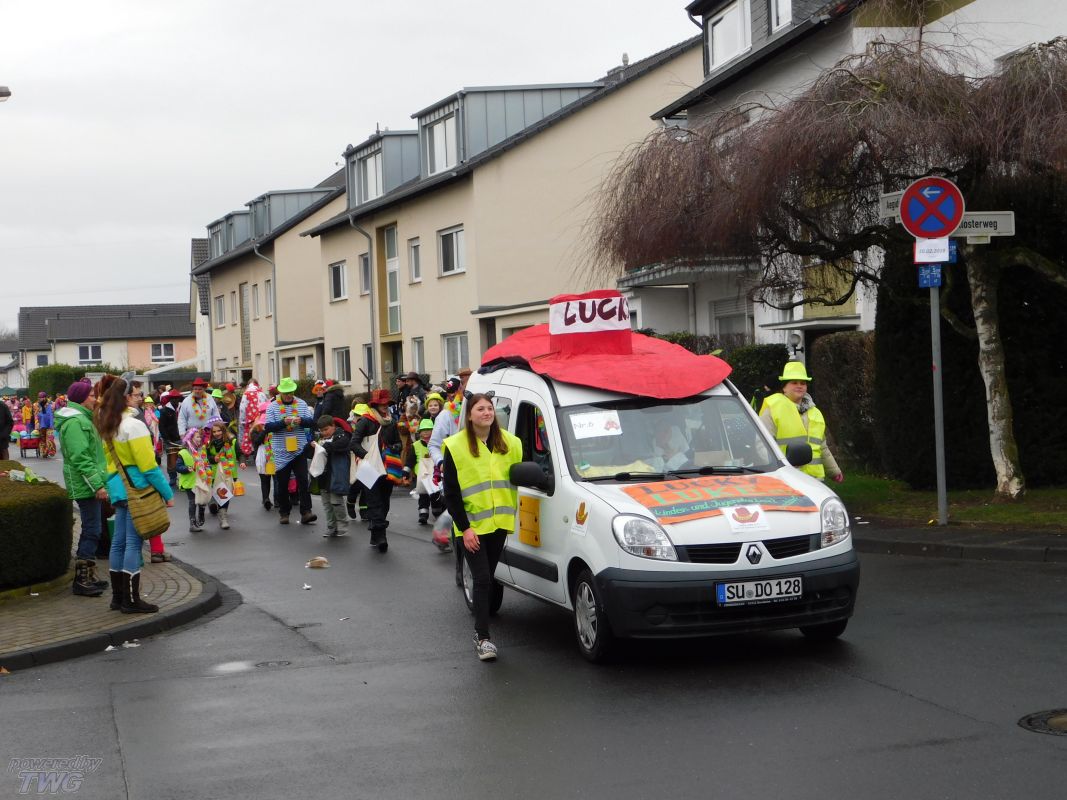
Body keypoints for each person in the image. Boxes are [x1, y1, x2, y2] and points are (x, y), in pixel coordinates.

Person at [441, 392, 524, 661]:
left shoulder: (511, 443)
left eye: (489, 408)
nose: (487, 412)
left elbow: (519, 475)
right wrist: (465, 528)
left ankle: (483, 629)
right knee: (483, 578)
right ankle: (483, 638)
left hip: (499, 524)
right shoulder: (455, 446)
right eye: (480, 409)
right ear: (469, 415)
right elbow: (451, 493)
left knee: (487, 577)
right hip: (472, 527)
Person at [95, 374, 174, 614]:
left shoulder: (110, 423)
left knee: (118, 542)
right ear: (127, 397)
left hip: (118, 487)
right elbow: (148, 467)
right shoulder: (134, 425)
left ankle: (118, 598)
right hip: (136, 488)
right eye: (137, 394)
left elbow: (109, 462)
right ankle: (131, 600)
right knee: (132, 543)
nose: (140, 398)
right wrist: (167, 493)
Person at [55, 378, 110, 597]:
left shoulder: (83, 418)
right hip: (85, 484)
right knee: (92, 530)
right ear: (81, 398)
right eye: (92, 396)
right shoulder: (75, 422)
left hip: (89, 483)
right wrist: (98, 485)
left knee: (93, 529)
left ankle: (89, 574)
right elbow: (81, 457)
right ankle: (82, 580)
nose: (95, 399)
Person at [759, 361, 844, 483]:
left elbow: (822, 447)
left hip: (816, 481)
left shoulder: (815, 413)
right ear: (784, 387)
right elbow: (762, 446)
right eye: (794, 382)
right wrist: (777, 471)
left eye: (803, 383)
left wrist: (834, 471)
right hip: (787, 480)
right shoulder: (773, 408)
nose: (799, 386)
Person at [429, 372, 472, 585]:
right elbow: (434, 445)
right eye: (452, 393)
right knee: (459, 521)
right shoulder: (446, 416)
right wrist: (441, 463)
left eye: (459, 391)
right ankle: (460, 567)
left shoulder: (478, 410)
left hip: (477, 475)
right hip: (454, 476)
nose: (456, 396)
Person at [351, 388, 401, 552]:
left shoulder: (391, 422)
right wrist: (366, 457)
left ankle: (375, 533)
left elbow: (398, 443)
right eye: (382, 403)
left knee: (384, 502)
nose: (385, 406)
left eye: (387, 403)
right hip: (368, 467)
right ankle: (381, 537)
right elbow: (354, 443)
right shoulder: (365, 421)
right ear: (375, 405)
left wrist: (395, 447)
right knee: (374, 502)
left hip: (387, 468)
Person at [265, 376, 317, 525]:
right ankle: (284, 512)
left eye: (291, 392)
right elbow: (268, 427)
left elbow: (312, 422)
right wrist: (283, 422)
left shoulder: (301, 404)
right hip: (281, 450)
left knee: (303, 481)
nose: (289, 395)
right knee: (282, 484)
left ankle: (306, 512)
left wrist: (302, 420)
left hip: (299, 449)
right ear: (281, 392)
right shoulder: (272, 407)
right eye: (286, 393)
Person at [316, 415, 353, 538]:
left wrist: (327, 446)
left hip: (336, 475)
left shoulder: (341, 436)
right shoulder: (320, 439)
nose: (324, 433)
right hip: (323, 476)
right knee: (327, 504)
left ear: (333, 426)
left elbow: (343, 444)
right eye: (321, 430)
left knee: (336, 502)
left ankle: (342, 526)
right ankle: (331, 527)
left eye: (326, 429)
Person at [406, 417, 444, 525]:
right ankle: (423, 514)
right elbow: (410, 460)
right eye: (423, 430)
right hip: (421, 476)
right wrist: (406, 471)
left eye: (428, 430)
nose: (426, 432)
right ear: (420, 432)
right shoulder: (415, 445)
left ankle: (437, 511)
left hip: (435, 475)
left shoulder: (438, 444)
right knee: (423, 496)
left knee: (435, 495)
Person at [204, 418, 238, 530]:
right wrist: (214, 458)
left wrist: (242, 462)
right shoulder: (208, 444)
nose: (216, 433)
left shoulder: (232, 441)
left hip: (228, 472)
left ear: (223, 431)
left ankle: (223, 518)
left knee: (224, 494)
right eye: (214, 432)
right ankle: (213, 503)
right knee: (217, 492)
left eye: (219, 431)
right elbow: (206, 458)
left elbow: (239, 453)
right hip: (214, 473)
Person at [176, 428, 206, 532]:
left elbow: (206, 463)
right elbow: (178, 467)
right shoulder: (183, 452)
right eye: (197, 437)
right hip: (189, 482)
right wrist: (187, 468)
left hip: (201, 480)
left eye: (200, 437)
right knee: (193, 501)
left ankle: (201, 516)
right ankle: (192, 523)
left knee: (202, 500)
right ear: (190, 438)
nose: (199, 439)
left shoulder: (201, 450)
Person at [158, 390, 182, 487]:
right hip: (170, 439)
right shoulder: (164, 410)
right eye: (173, 399)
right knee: (172, 458)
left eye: (177, 398)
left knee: (183, 458)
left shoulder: (182, 408)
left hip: (183, 437)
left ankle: (184, 477)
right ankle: (173, 477)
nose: (175, 400)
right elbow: (161, 426)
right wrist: (166, 438)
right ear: (170, 399)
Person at [36, 393, 56, 458]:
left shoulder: (51, 405)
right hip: (41, 424)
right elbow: (35, 415)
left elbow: (52, 415)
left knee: (50, 438)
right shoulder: (37, 405)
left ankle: (51, 451)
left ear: (45, 397)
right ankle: (44, 452)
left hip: (49, 424)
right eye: (39, 397)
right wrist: (36, 423)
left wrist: (52, 424)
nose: (40, 399)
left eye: (41, 397)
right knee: (42, 439)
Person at [0, 392, 12, 460]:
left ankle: (6, 466)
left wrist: (5, 434)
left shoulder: (3, 406)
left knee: (4, 455)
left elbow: (10, 422)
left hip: (2, 438)